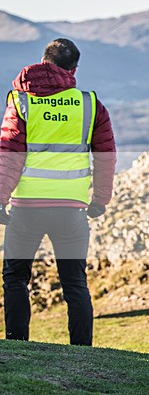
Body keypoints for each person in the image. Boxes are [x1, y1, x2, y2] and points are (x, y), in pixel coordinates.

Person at [0, 38, 117, 346]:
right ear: (74, 70)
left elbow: (8, 155)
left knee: (15, 279)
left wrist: (0, 200)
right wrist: (100, 200)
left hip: (26, 209)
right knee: (75, 283)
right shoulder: (90, 104)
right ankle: (82, 353)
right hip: (71, 211)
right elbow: (106, 155)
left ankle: (16, 345)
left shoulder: (21, 101)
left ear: (43, 61)